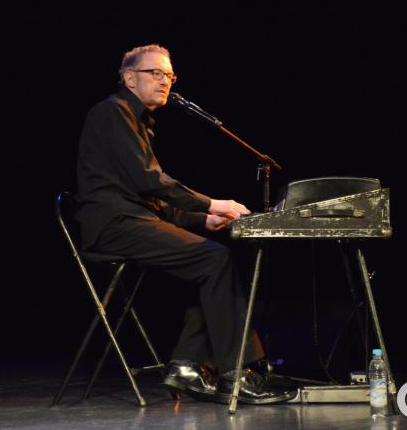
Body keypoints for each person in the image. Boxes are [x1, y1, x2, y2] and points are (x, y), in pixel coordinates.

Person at [74, 44, 295, 405]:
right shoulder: (111, 113)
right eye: (156, 73)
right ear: (129, 78)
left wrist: (201, 218)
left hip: (133, 219)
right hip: (114, 225)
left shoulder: (136, 121)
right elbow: (150, 182)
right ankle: (237, 374)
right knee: (214, 260)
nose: (166, 82)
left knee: (211, 263)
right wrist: (213, 202)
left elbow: (153, 201)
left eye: (170, 76)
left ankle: (188, 366)